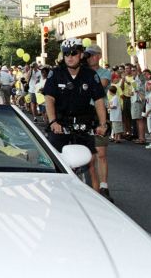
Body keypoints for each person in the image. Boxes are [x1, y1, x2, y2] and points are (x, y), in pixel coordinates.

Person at [43, 38, 108, 193]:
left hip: (84, 123)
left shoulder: (90, 75)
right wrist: (53, 122)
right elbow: (49, 99)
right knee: (56, 162)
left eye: (73, 53)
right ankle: (57, 193)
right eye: (66, 54)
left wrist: (102, 124)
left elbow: (99, 100)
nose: (69, 57)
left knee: (90, 161)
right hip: (61, 123)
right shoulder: (56, 74)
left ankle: (96, 197)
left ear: (80, 55)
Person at [85, 44, 113, 200]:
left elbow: (99, 86)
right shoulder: (82, 72)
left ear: (99, 56)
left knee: (101, 153)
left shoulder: (104, 72)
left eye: (92, 55)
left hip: (98, 114)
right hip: (84, 114)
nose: (89, 58)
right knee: (89, 156)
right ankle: (92, 188)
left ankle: (104, 186)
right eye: (87, 55)